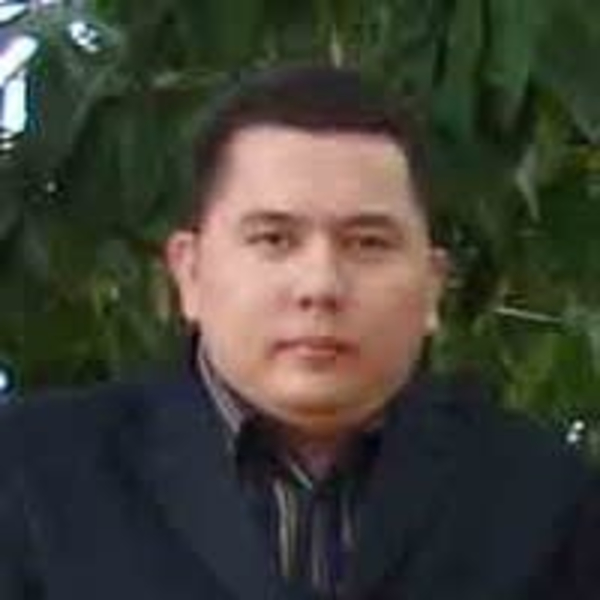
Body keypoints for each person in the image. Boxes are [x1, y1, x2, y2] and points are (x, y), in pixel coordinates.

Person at [0, 65, 598, 600]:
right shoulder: (32, 476)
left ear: (432, 286)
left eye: (368, 243)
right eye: (274, 239)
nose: (320, 285)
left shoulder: (541, 497)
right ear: (190, 273)